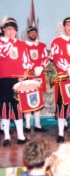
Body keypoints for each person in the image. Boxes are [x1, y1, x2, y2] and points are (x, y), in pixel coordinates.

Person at [0, 17, 32, 147]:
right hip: (4, 79)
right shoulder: (1, 43)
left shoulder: (21, 44)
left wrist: (25, 73)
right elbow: (4, 53)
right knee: (5, 107)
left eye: (13, 29)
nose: (10, 31)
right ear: (3, 30)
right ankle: (7, 136)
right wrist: (9, 41)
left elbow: (27, 61)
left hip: (19, 80)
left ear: (16, 30)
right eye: (8, 29)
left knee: (19, 107)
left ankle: (21, 136)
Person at [24, 26, 49, 133]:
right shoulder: (23, 45)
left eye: (35, 32)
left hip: (40, 76)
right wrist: (32, 67)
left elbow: (46, 58)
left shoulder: (42, 45)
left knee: (39, 99)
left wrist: (41, 67)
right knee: (27, 98)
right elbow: (23, 58)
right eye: (31, 32)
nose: (33, 34)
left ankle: (38, 125)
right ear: (28, 34)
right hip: (28, 75)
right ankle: (28, 125)